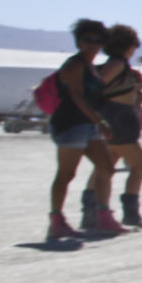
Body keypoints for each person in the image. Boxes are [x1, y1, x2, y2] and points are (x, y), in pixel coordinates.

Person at [44, 18, 119, 242]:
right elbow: (77, 97)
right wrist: (100, 121)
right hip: (70, 124)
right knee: (66, 174)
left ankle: (103, 215)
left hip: (87, 125)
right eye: (88, 40)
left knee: (106, 168)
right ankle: (56, 222)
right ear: (79, 41)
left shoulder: (90, 67)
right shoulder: (74, 65)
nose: (93, 44)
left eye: (98, 40)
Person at [92, 24, 142, 228]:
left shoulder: (118, 65)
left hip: (114, 118)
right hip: (117, 120)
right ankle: (130, 213)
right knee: (140, 165)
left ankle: (92, 212)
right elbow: (97, 86)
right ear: (127, 46)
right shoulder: (117, 64)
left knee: (105, 167)